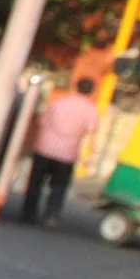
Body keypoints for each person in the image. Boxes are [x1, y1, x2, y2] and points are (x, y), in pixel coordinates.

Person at [21, 75, 100, 225]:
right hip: (67, 154)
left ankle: (28, 215)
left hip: (45, 148)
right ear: (91, 92)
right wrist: (88, 156)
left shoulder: (59, 102)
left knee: (35, 184)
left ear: (75, 87)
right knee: (59, 187)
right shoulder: (90, 109)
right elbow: (92, 131)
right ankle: (51, 215)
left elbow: (42, 122)